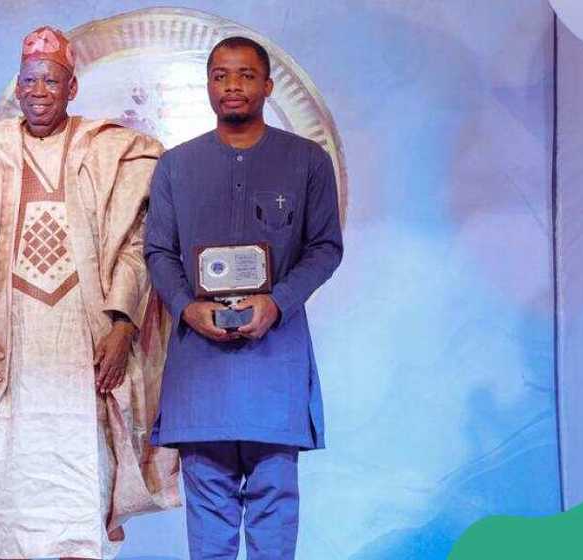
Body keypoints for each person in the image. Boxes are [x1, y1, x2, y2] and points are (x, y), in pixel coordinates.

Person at [0, 25, 179, 560]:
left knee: (82, 476)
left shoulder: (113, 151)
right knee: (8, 476)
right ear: (17, 88)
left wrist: (122, 326)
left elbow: (137, 244)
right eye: (29, 81)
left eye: (51, 80)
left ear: (72, 88)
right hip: (7, 345)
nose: (39, 91)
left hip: (84, 344)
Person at [143, 36, 344, 559]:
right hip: (200, 367)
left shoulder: (306, 161)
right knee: (207, 507)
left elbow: (324, 247)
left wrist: (276, 303)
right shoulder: (176, 166)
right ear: (208, 85)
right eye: (220, 75)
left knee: (274, 502)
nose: (232, 86)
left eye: (246, 75)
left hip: (273, 360)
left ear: (267, 86)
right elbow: (158, 252)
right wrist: (187, 307)